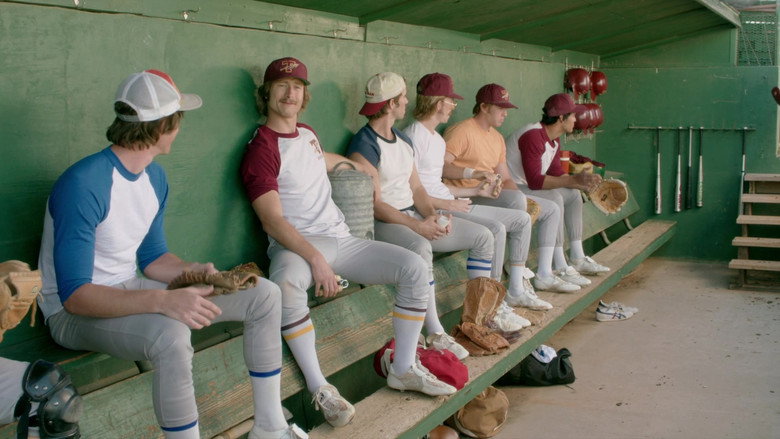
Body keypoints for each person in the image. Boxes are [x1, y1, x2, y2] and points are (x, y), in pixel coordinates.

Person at [37, 70, 301, 439]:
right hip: (72, 314)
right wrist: (164, 301)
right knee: (171, 333)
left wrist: (198, 273)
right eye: (179, 119)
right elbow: (76, 297)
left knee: (264, 295)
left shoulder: (154, 177)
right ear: (164, 125)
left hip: (129, 288)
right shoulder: (84, 184)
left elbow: (153, 258)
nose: (180, 128)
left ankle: (270, 427)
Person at [240, 58, 457, 428]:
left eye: (298, 87)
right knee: (286, 285)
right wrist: (315, 260)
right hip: (298, 246)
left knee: (414, 268)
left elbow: (318, 159)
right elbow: (272, 220)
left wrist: (357, 166)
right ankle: (321, 387)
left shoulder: (306, 133)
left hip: (340, 237)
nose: (291, 94)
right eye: (281, 86)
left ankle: (404, 367)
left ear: (305, 95)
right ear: (266, 93)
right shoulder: (261, 147)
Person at [346, 72, 530, 333]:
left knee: (484, 237)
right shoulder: (364, 143)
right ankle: (436, 332)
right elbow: (376, 204)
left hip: (413, 213)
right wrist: (418, 225)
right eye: (402, 97)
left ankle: (480, 320)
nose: (407, 101)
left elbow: (417, 188)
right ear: (391, 103)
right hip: (385, 222)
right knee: (422, 247)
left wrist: (433, 215)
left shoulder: (402, 139)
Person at [402, 73, 551, 311]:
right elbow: (414, 190)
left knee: (521, 219)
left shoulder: (436, 138)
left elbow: (437, 184)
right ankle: (493, 305)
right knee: (495, 230)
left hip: (449, 202)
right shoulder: (412, 136)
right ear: (438, 103)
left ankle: (511, 292)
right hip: (432, 210)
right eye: (451, 101)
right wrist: (449, 203)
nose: (453, 106)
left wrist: (476, 189)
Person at [442, 84, 584, 293]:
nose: (505, 113)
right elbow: (441, 167)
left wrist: (523, 200)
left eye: (506, 108)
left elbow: (506, 179)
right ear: (484, 107)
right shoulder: (462, 131)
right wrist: (472, 174)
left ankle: (543, 274)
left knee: (550, 208)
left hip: (488, 195)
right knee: (520, 202)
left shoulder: (497, 138)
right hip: (463, 197)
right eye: (500, 108)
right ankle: (515, 278)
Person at [505, 93, 610, 283]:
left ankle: (577, 257)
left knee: (573, 194)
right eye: (573, 115)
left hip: (526, 186)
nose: (575, 119)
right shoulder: (533, 135)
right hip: (512, 189)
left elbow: (557, 174)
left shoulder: (553, 138)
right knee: (555, 197)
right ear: (561, 118)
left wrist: (583, 184)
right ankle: (559, 265)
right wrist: (573, 179)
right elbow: (535, 181)